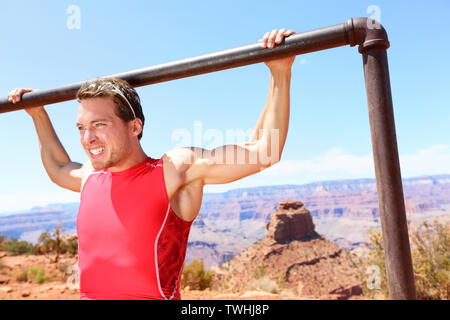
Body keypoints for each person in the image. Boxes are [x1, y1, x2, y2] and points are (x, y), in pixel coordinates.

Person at [8, 28, 296, 300]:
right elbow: (58, 168)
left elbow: (262, 151)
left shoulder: (175, 169)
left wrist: (279, 73)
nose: (88, 138)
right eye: (81, 127)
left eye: (99, 124)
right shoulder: (90, 176)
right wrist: (37, 114)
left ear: (134, 126)